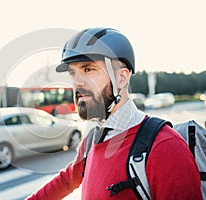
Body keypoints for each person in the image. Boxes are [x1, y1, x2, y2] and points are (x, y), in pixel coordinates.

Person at [27, 28, 202, 200]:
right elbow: (66, 180)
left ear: (121, 78)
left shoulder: (165, 147)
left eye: (88, 69)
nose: (77, 83)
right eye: (73, 73)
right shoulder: (92, 140)